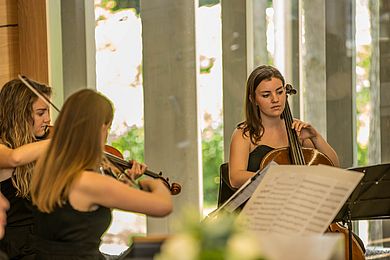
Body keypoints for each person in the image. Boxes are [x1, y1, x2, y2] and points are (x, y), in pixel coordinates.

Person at [30, 89, 172, 260]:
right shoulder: (87, 181)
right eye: (108, 127)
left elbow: (78, 218)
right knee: (163, 248)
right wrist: (156, 184)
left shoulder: (47, 169)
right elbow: (163, 206)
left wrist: (125, 183)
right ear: (101, 128)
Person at [229, 65, 340, 189]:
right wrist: (277, 178)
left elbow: (334, 166)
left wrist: (315, 137)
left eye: (280, 92)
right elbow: (235, 177)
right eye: (266, 95)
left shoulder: (296, 128)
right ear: (253, 99)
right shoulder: (245, 133)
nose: (275, 99)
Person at [0, 78, 52, 259]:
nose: (48, 119)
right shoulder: (3, 148)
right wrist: (63, 140)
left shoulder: (38, 146)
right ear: (20, 114)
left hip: (41, 242)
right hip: (16, 250)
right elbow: (15, 158)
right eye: (40, 113)